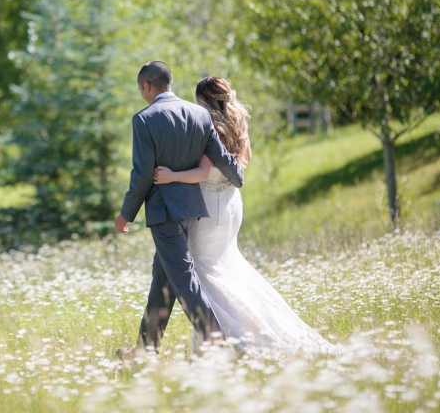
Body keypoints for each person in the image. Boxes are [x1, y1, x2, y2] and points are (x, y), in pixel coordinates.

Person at [152, 76, 336, 357]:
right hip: (231, 203)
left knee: (204, 273)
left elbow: (202, 172)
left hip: (211, 209)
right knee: (227, 268)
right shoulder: (238, 123)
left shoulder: (209, 126)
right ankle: (237, 333)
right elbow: (244, 160)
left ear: (204, 100)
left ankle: (232, 339)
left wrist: (171, 176)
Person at [114, 62, 245, 356]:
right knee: (163, 280)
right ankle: (144, 350)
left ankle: (218, 344)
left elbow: (142, 174)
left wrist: (126, 214)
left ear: (147, 85)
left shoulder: (144, 119)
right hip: (191, 211)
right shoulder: (199, 114)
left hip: (164, 213)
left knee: (183, 280)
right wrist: (238, 177)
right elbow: (221, 156)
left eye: (140, 89)